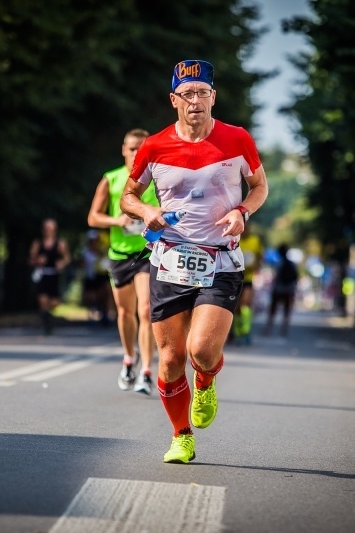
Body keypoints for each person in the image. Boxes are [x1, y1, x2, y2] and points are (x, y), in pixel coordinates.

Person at [120, 59, 269, 463]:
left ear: (213, 97)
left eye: (203, 93)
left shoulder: (237, 139)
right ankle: (181, 435)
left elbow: (259, 186)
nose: (196, 101)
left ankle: (205, 380)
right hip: (170, 261)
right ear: (174, 100)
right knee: (170, 359)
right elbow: (128, 196)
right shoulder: (154, 146)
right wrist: (144, 212)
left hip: (220, 261)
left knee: (201, 350)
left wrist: (243, 212)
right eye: (188, 94)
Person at [87, 128, 159, 395]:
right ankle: (129, 359)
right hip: (119, 255)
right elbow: (93, 217)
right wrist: (117, 220)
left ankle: (147, 372)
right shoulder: (111, 179)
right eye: (132, 148)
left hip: (148, 253)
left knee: (146, 310)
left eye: (142, 148)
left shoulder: (158, 179)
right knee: (126, 313)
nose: (136, 153)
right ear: (123, 150)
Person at [29, 218, 71, 335]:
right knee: (42, 301)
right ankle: (47, 326)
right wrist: (38, 260)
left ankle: (48, 316)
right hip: (42, 275)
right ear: (43, 230)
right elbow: (31, 260)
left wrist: (61, 264)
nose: (50, 231)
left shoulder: (60, 244)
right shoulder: (38, 244)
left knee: (54, 303)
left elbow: (67, 258)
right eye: (47, 229)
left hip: (54, 275)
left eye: (52, 229)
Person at [231, 220, 263, 345]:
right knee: (236, 307)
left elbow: (260, 257)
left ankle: (246, 331)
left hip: (248, 278)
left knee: (246, 304)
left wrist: (256, 266)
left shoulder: (255, 241)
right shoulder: (234, 239)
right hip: (235, 278)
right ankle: (237, 331)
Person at [262, 243, 299, 337]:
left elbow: (276, 277)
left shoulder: (278, 263)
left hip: (278, 289)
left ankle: (268, 328)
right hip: (289, 289)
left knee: (273, 309)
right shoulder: (292, 264)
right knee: (286, 309)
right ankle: (284, 328)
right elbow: (296, 277)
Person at [79, 230, 112, 327]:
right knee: (91, 297)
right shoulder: (85, 252)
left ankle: (104, 315)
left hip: (101, 277)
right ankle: (92, 315)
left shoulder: (103, 252)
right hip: (90, 277)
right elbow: (80, 263)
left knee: (103, 295)